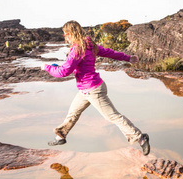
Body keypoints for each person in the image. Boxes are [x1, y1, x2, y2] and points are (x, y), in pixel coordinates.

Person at [41, 20, 150, 156]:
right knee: (73, 113)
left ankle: (140, 138)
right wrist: (128, 58)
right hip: (85, 89)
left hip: (93, 90)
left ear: (71, 33)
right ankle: (61, 136)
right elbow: (109, 52)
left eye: (65, 34)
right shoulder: (89, 45)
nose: (65, 37)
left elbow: (63, 72)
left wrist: (47, 67)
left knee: (113, 116)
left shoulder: (77, 49)